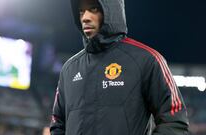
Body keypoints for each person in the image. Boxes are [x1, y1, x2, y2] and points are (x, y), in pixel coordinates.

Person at [50, 0, 189, 134]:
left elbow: (174, 120)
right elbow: (58, 124)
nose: (85, 17)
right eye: (81, 11)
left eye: (94, 9)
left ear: (111, 11)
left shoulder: (147, 60)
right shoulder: (69, 69)